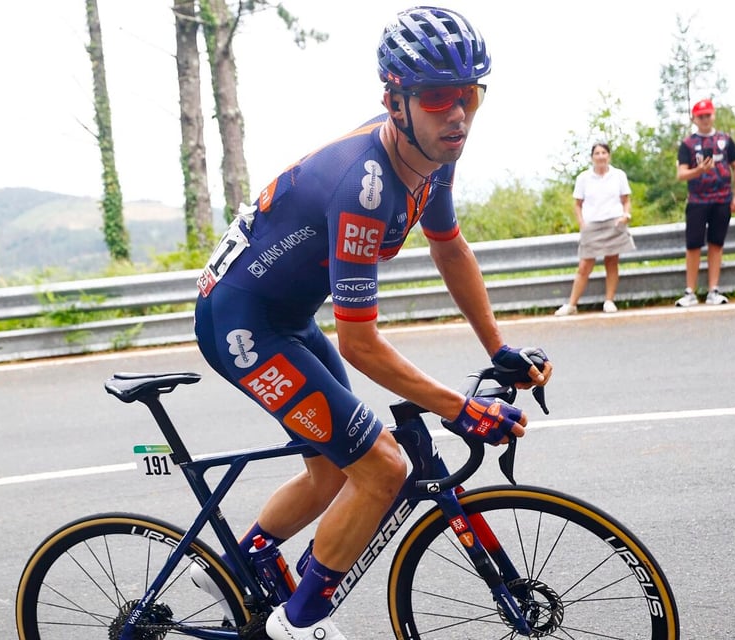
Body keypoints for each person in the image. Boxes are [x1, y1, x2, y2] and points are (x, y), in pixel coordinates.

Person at [191, 7, 552, 638]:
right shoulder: (366, 188)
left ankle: (232, 568)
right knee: (383, 467)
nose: (458, 114)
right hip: (241, 325)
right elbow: (359, 343)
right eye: (439, 97)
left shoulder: (436, 151)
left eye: (470, 95)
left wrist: (499, 349)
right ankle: (297, 625)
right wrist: (458, 408)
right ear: (395, 101)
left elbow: (449, 246)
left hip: (283, 314)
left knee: (338, 466)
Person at [675, 98, 735, 307]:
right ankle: (690, 291)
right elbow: (681, 174)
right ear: (694, 119)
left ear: (713, 115)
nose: (705, 119)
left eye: (708, 115)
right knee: (693, 244)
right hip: (697, 200)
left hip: (722, 199)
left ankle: (713, 289)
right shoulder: (687, 144)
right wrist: (699, 171)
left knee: (716, 243)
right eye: (701, 116)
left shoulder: (725, 140)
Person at [555, 142, 634, 316]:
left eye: (603, 152)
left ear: (609, 155)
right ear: (592, 157)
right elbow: (577, 204)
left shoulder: (618, 175)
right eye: (597, 153)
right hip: (592, 224)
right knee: (584, 265)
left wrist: (625, 215)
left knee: (612, 262)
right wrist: (582, 223)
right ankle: (572, 304)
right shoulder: (583, 178)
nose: (600, 156)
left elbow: (626, 199)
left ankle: (609, 300)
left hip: (613, 221)